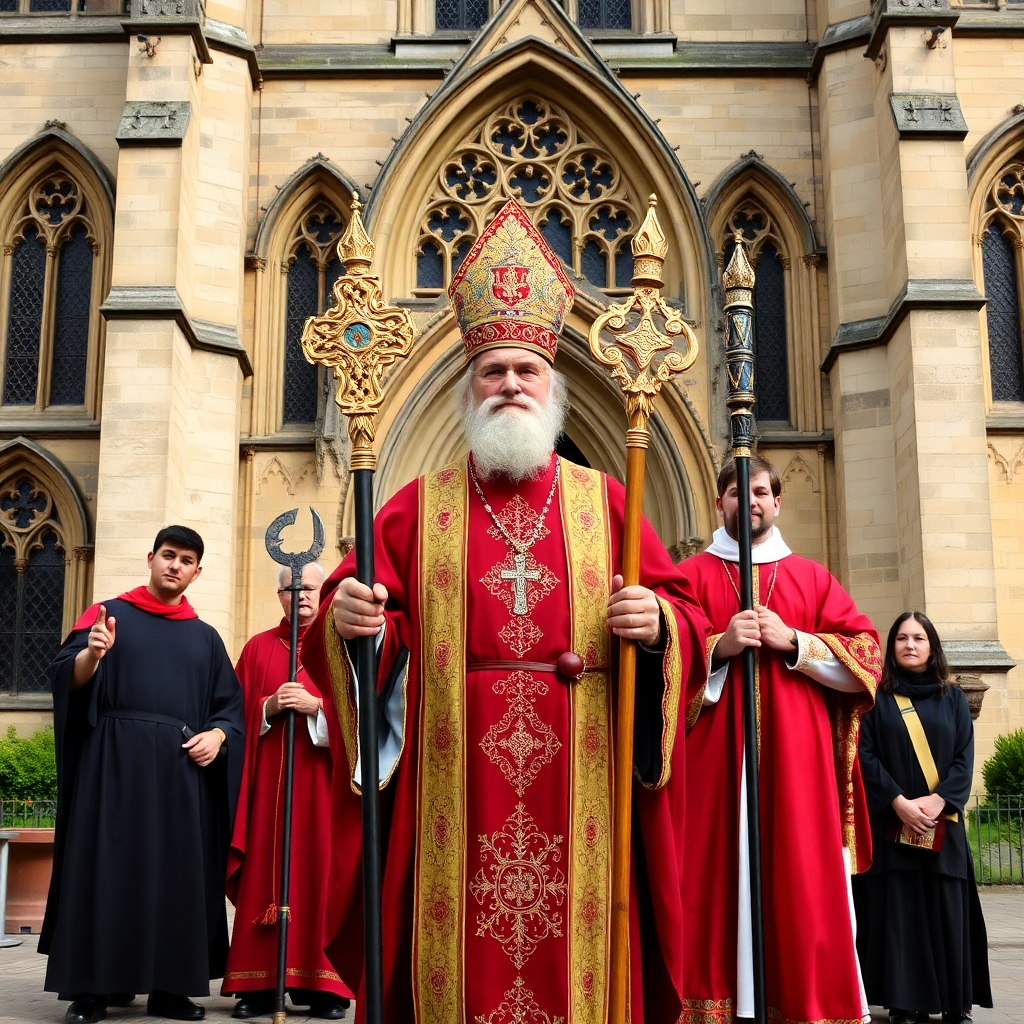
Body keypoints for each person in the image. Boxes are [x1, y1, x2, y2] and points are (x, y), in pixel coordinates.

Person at [302, 199, 709, 1023]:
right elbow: (358, 629)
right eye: (495, 372)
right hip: (454, 779)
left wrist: (660, 628)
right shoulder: (416, 507)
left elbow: (681, 613)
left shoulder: (610, 502)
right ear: (471, 388)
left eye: (527, 371)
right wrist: (352, 626)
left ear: (555, 389)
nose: (511, 384)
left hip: (583, 765)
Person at [676, 456, 881, 1024]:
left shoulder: (812, 578)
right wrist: (718, 647)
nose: (752, 502)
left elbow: (866, 660)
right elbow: (660, 668)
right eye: (739, 494)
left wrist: (796, 642)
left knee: (802, 889)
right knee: (711, 886)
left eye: (762, 491)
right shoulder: (690, 578)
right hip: (714, 771)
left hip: (797, 770)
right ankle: (712, 1003)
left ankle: (804, 1004)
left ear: (778, 501)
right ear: (721, 504)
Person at [41, 526, 245, 1024]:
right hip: (110, 768)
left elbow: (230, 710)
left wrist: (217, 737)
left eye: (187, 560)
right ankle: (93, 988)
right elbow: (66, 676)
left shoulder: (206, 637)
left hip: (179, 775)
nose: (175, 566)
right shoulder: (107, 615)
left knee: (176, 876)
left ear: (198, 572)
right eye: (168, 556)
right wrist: (93, 654)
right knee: (104, 870)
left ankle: (170, 988)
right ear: (150, 558)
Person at [222, 563, 353, 1020]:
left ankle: (325, 988)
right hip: (268, 791)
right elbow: (231, 719)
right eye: (289, 588)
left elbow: (368, 712)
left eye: (308, 588)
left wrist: (319, 708)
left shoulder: (345, 646)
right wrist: (268, 705)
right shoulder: (258, 648)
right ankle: (258, 987)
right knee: (265, 872)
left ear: (325, 593)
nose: (299, 595)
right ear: (279, 595)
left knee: (323, 876)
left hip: (324, 789)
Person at [852, 611, 992, 1024]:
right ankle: (904, 1002)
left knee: (948, 913)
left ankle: (955, 1003)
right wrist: (898, 802)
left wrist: (938, 802)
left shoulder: (953, 700)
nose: (910, 645)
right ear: (891, 647)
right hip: (894, 825)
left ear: (932, 647)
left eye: (918, 638)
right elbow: (864, 756)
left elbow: (964, 760)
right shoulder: (875, 699)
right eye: (901, 639)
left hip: (941, 826)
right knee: (901, 915)